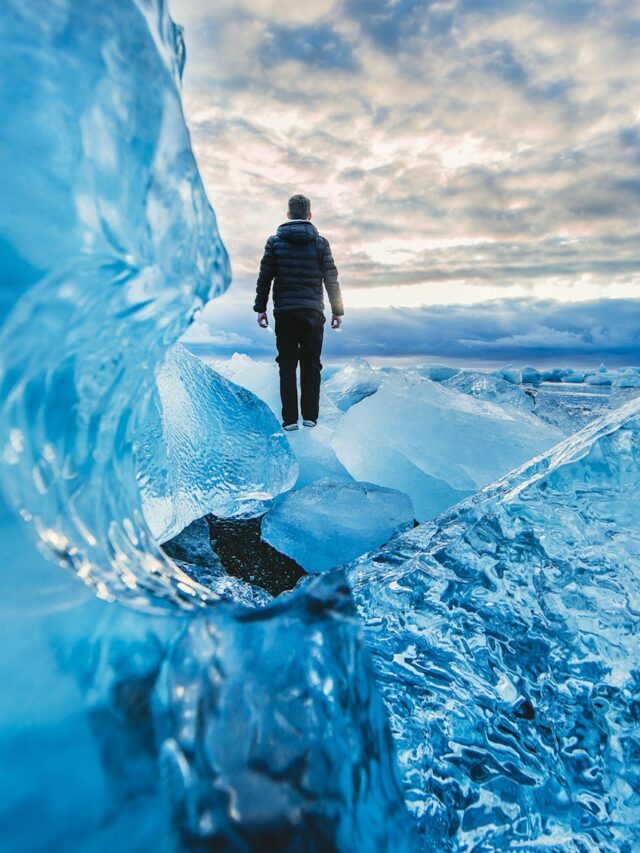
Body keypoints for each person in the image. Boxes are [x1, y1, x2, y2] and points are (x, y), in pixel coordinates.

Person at [253, 194, 344, 430]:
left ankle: (290, 419)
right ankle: (310, 417)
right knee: (311, 364)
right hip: (313, 312)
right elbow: (331, 279)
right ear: (309, 216)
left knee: (287, 364)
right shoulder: (321, 243)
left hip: (285, 311)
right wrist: (337, 310)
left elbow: (265, 278)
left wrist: (260, 308)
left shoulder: (274, 242)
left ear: (288, 215)